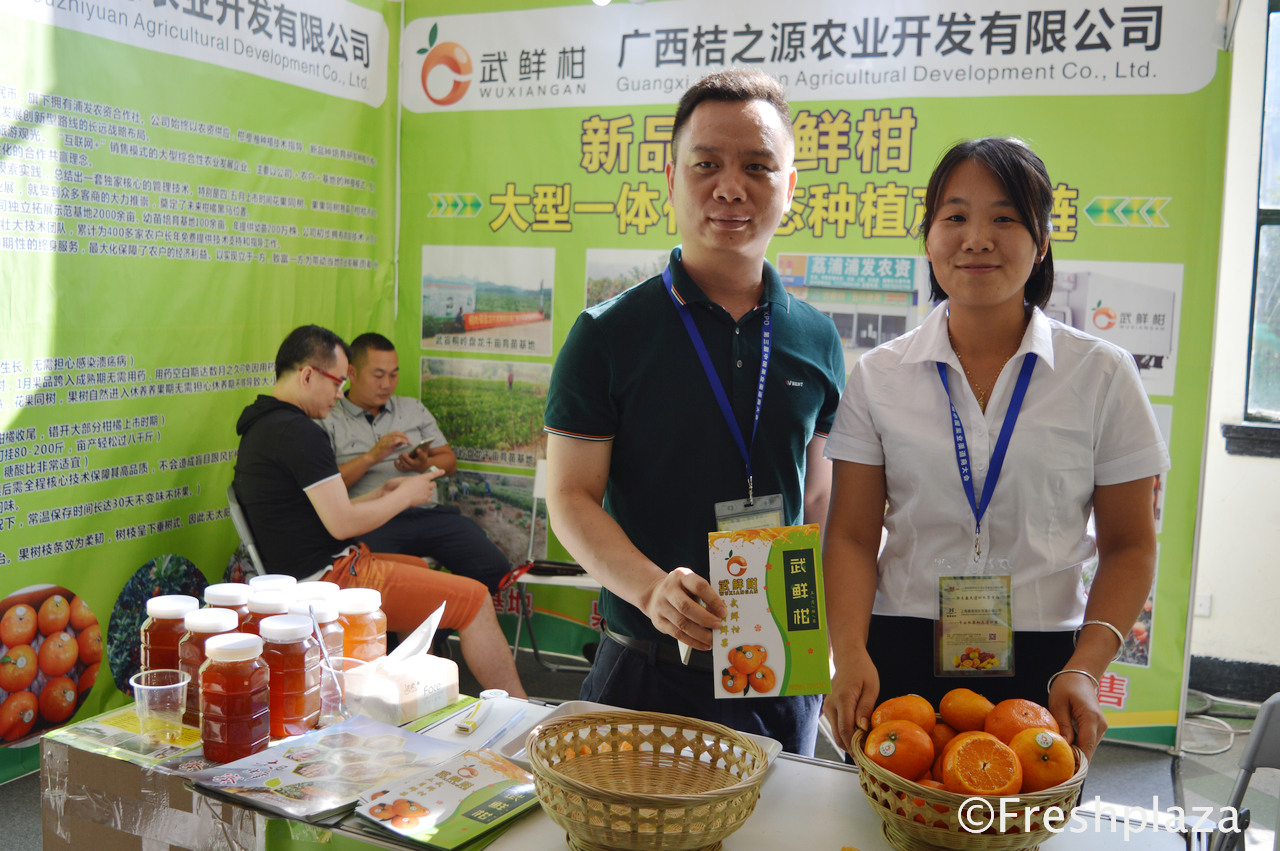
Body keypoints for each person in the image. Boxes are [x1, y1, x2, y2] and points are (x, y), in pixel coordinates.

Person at [821, 138, 1169, 759]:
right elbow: (850, 534)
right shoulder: (879, 376)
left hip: (1049, 661)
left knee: (1020, 811)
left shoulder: (1101, 374)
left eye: (1004, 218)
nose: (977, 239)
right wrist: (848, 653)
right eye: (954, 216)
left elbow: (1131, 545)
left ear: (1042, 240)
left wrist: (1086, 668)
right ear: (928, 237)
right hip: (898, 649)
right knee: (887, 813)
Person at [543, 69, 845, 755]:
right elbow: (570, 496)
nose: (731, 187)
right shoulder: (608, 334)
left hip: (781, 667)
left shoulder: (816, 337)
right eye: (706, 164)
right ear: (671, 179)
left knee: (782, 813)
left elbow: (819, 494)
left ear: (790, 186)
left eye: (758, 166)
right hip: (649, 665)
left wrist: (822, 625)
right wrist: (653, 590)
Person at [233, 325, 526, 697]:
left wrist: (382, 493)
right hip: (328, 577)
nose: (339, 394)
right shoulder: (300, 433)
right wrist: (406, 496)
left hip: (313, 567)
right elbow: (342, 524)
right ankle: (521, 712)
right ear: (307, 375)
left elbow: (321, 513)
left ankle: (417, 699)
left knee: (420, 569)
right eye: (337, 382)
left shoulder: (263, 425)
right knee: (475, 598)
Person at [317, 332, 511, 593]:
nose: (387, 384)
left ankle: (440, 620)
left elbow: (449, 462)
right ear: (352, 373)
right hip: (371, 520)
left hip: (427, 514)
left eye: (393, 375)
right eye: (378, 375)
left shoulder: (412, 409)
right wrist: (372, 456)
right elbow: (326, 487)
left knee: (494, 569)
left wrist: (423, 464)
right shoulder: (328, 417)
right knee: (378, 584)